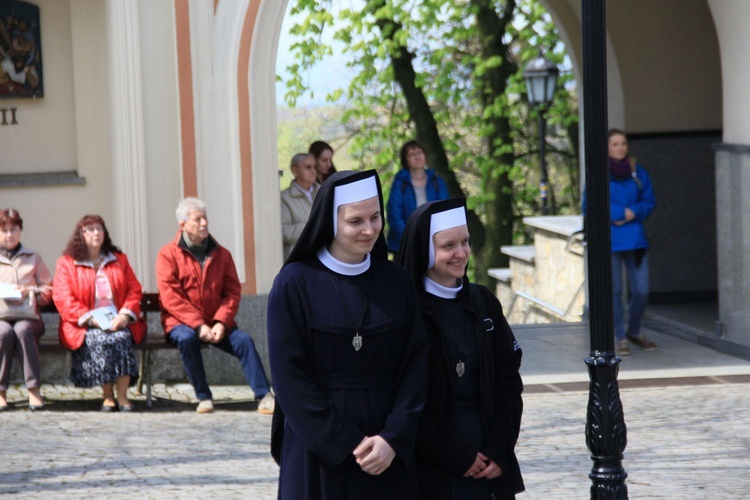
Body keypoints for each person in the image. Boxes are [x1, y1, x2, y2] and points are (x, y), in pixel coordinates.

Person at [267, 170, 428, 499]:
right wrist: (346, 443)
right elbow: (290, 380)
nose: (369, 230)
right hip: (319, 452)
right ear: (330, 221)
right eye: (355, 221)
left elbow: (416, 368)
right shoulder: (294, 283)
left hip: (387, 453)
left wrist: (393, 438)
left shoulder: (396, 281)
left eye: (375, 217)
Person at [396, 198, 525, 499]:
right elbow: (403, 398)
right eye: (448, 246)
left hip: (490, 460)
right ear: (425, 249)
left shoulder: (484, 302)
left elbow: (508, 382)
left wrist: (500, 447)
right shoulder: (405, 311)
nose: (461, 253)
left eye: (465, 242)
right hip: (432, 466)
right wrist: (456, 454)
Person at [156, 197, 274, 414]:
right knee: (187, 338)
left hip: (216, 321)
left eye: (205, 218)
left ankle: (264, 396)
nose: (204, 224)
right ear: (183, 225)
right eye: (197, 219)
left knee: (244, 341)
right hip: (181, 323)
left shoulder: (222, 254)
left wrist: (221, 321)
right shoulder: (168, 255)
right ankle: (204, 397)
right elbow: (171, 298)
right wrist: (198, 325)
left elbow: (232, 293)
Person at [53, 215, 145, 412]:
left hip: (118, 319)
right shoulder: (67, 263)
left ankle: (122, 397)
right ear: (81, 234)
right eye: (91, 229)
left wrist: (124, 315)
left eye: (100, 229)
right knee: (102, 340)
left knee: (121, 338)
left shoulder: (119, 259)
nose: (96, 233)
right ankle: (108, 396)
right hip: (85, 323)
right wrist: (91, 319)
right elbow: (62, 297)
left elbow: (134, 290)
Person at [607, 129, 658, 356]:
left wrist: (631, 212)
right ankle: (620, 337)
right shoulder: (600, 172)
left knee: (641, 290)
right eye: (615, 144)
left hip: (635, 240)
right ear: (607, 148)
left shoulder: (638, 173)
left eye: (623, 143)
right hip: (611, 240)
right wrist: (617, 213)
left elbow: (649, 200)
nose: (620, 147)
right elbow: (590, 204)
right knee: (615, 291)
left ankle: (634, 331)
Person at [0, 208, 52, 411]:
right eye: (4, 231)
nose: (9, 235)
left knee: (22, 330)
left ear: (20, 231)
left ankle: (33, 389)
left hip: (29, 316)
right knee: (3, 332)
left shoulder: (33, 257)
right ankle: (1, 391)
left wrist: (30, 291)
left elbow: (49, 289)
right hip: (1, 317)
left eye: (13, 230)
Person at [386, 140, 450, 253]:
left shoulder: (437, 181)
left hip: (434, 246)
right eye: (411, 154)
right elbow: (394, 216)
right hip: (405, 247)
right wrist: (411, 240)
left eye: (419, 152)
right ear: (406, 161)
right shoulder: (400, 183)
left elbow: (445, 212)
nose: (417, 157)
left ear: (425, 155)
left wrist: (436, 239)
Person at [280, 153, 320, 259]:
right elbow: (283, 232)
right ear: (295, 170)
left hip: (323, 256)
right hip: (299, 258)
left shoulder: (324, 192)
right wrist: (313, 227)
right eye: (308, 167)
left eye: (314, 167)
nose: (313, 171)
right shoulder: (284, 198)